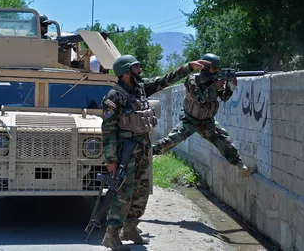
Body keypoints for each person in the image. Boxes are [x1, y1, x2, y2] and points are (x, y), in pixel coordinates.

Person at [100, 54, 210, 250]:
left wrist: (187, 67)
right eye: (136, 67)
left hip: (143, 149)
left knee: (141, 191)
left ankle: (130, 228)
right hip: (126, 151)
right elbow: (108, 131)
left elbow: (164, 80)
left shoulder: (141, 88)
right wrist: (111, 160)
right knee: (123, 194)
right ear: (125, 72)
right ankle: (111, 234)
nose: (140, 70)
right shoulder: (114, 97)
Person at [151, 53, 257, 178]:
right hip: (190, 120)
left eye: (217, 68)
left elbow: (224, 97)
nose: (216, 71)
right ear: (205, 68)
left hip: (207, 121)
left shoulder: (213, 81)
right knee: (170, 141)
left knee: (224, 141)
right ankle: (146, 153)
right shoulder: (192, 80)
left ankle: (240, 167)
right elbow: (200, 98)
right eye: (214, 68)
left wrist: (230, 86)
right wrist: (214, 87)